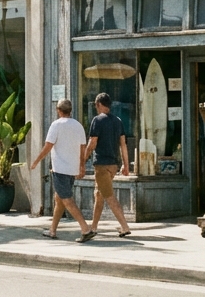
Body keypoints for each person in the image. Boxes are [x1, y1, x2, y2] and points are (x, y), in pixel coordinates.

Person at [29, 98, 94, 242]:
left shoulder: (56, 125)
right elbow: (83, 148)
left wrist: (36, 161)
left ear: (58, 111)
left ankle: (85, 228)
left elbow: (48, 146)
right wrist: (82, 166)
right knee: (59, 200)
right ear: (70, 110)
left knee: (67, 200)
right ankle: (52, 230)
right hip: (72, 169)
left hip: (60, 169)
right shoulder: (78, 126)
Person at [83, 94, 132, 237]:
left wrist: (82, 161)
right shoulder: (118, 121)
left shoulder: (97, 120)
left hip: (102, 165)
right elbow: (123, 145)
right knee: (99, 194)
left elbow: (92, 143)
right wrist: (125, 165)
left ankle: (125, 226)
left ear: (98, 104)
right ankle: (93, 227)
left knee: (109, 196)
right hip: (113, 165)